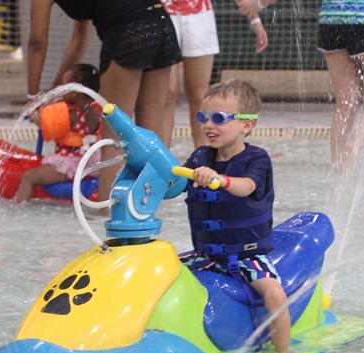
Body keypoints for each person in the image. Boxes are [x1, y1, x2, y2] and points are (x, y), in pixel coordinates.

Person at [178, 79, 294, 353]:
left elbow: (247, 187)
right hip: (205, 254)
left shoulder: (257, 160)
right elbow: (175, 185)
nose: (208, 124)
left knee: (274, 292)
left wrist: (221, 180)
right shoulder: (200, 157)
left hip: (246, 255)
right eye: (203, 117)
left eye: (219, 118)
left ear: (247, 125)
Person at [27, 1, 182, 204]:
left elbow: (37, 42)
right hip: (162, 23)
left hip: (129, 30)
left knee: (114, 139)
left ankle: (106, 213)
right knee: (149, 136)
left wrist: (32, 97)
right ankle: (148, 211)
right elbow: (78, 41)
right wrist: (56, 88)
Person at [236, 0, 364, 170]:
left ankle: (338, 166)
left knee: (347, 102)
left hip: (330, 24)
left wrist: (260, 3)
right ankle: (356, 144)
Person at [159, 0, 269, 149]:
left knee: (198, 95)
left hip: (199, 14)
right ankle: (161, 157)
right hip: (162, 12)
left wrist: (255, 20)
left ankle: (203, 154)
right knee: (166, 94)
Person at [15, 64, 103, 203]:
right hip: (91, 162)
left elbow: (45, 125)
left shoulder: (72, 113)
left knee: (28, 177)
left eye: (63, 85)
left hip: (71, 164)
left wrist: (31, 113)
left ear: (75, 93)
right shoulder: (94, 109)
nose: (59, 89)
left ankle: (18, 208)